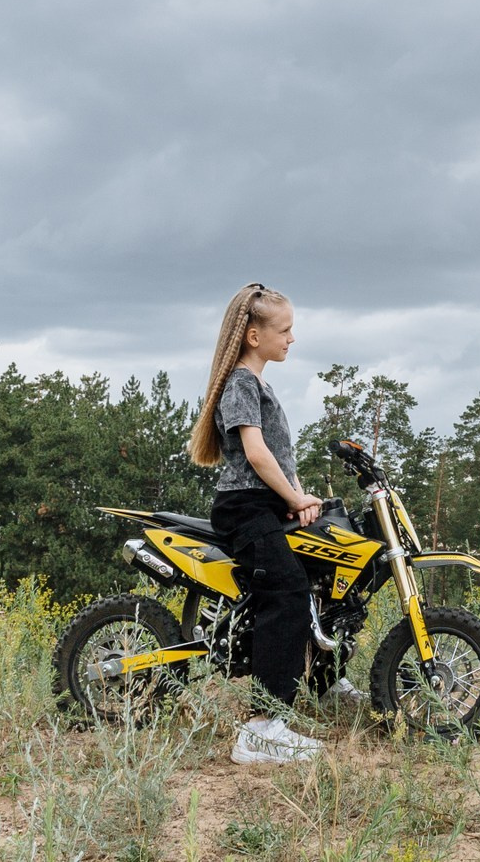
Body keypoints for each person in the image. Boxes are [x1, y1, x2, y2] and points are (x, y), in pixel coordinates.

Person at [190, 284, 326, 765]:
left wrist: (298, 500)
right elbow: (256, 454)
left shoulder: (260, 385)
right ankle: (260, 732)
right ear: (254, 336)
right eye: (285, 330)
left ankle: (330, 682)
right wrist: (292, 496)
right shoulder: (241, 384)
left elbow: (280, 460)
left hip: (265, 506)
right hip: (244, 508)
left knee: (315, 579)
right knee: (286, 593)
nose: (292, 338)